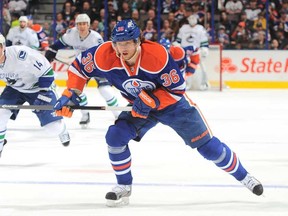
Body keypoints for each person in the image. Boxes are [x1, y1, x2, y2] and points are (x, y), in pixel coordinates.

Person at [53, 19, 264, 207]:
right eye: (118, 43)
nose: (122, 48)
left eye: (127, 42)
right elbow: (79, 68)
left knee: (208, 148)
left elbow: (177, 90)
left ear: (138, 42)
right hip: (138, 106)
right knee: (115, 136)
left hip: (173, 107)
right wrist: (70, 93)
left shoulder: (157, 56)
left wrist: (152, 100)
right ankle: (124, 187)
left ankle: (245, 177)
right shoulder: (104, 54)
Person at [0, 34, 70, 157]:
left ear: (4, 47)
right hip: (15, 89)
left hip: (37, 87)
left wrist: (43, 94)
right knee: (0, 114)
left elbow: (47, 71)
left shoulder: (21, 55)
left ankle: (62, 129)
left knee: (53, 129)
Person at [45, 13, 120, 128]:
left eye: (84, 24)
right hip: (80, 68)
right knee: (76, 91)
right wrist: (51, 50)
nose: (81, 26)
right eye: (79, 24)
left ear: (88, 25)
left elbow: (104, 55)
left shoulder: (96, 38)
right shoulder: (71, 34)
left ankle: (118, 115)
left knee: (104, 90)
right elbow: (58, 44)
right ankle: (85, 115)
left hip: (97, 66)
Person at [176, 15, 210, 90]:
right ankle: (186, 84)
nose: (192, 19)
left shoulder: (200, 28)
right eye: (190, 18)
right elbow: (178, 40)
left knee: (202, 67)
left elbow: (204, 41)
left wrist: (204, 48)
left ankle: (204, 83)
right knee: (184, 68)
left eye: (193, 18)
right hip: (185, 52)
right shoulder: (183, 28)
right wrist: (177, 45)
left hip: (196, 51)